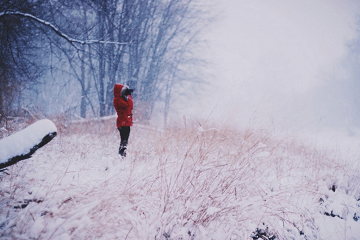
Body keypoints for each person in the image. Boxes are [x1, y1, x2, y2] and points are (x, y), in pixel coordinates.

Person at [113, 84, 134, 157]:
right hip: (123, 122)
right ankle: (121, 155)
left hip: (124, 122)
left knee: (124, 140)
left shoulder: (120, 98)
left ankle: (122, 154)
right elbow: (129, 106)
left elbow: (129, 107)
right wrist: (129, 96)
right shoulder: (118, 99)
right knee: (124, 140)